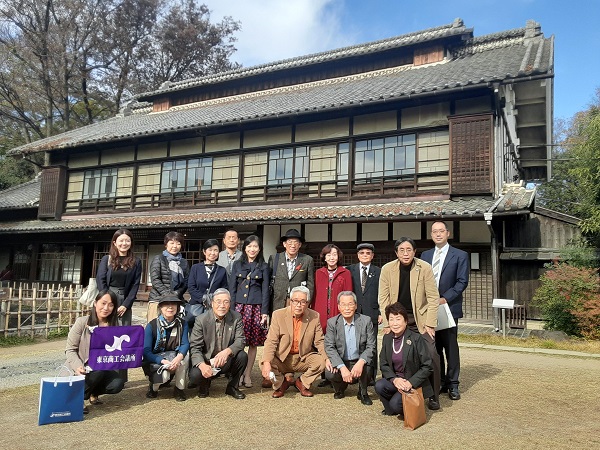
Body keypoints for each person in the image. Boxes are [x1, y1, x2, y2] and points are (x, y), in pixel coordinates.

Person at [379, 237, 441, 411]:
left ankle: (433, 396)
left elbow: (433, 297)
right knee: (391, 353)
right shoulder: (387, 269)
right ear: (396, 252)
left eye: (409, 250)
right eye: (401, 250)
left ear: (414, 252)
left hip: (419, 319)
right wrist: (387, 322)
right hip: (396, 320)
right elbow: (383, 298)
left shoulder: (424, 268)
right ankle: (394, 389)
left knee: (431, 354)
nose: (405, 253)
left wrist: (430, 324)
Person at [421, 221, 469, 401]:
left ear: (448, 233)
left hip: (449, 306)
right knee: (435, 346)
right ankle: (439, 381)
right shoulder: (425, 255)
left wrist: (444, 298)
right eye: (435, 232)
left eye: (441, 231)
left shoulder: (460, 255)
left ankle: (453, 383)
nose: (438, 234)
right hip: (429, 308)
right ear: (431, 234)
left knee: (450, 346)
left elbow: (462, 281)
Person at [261, 286, 330, 398]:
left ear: (307, 303)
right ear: (290, 301)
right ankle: (281, 384)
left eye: (303, 302)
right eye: (295, 301)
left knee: (321, 361)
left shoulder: (314, 316)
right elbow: (271, 341)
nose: (299, 305)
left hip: (302, 358)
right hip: (282, 358)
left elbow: (319, 341)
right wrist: (267, 363)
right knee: (264, 362)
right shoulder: (278, 315)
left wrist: (327, 358)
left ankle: (302, 382)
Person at [65, 290, 125, 413]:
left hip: (102, 367)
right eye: (103, 303)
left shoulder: (115, 326)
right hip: (82, 367)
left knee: (117, 383)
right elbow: (70, 349)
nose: (106, 308)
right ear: (95, 303)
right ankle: (76, 398)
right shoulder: (82, 322)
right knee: (96, 370)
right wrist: (78, 366)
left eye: (111, 305)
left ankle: (93, 392)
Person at [375, 303, 433, 418]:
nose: (395, 323)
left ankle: (403, 405)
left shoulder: (416, 339)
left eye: (398, 319)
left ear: (406, 321)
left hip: (412, 382)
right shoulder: (387, 338)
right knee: (379, 385)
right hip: (397, 381)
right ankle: (391, 407)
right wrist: (394, 379)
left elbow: (427, 366)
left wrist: (411, 382)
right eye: (391, 319)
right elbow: (383, 363)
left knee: (396, 405)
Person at [188, 288, 247, 400]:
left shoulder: (236, 317)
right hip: (207, 359)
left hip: (225, 359)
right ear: (212, 303)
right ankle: (204, 384)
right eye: (218, 301)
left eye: (226, 302)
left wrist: (227, 351)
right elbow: (195, 347)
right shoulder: (201, 320)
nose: (222, 305)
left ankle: (232, 387)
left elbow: (241, 340)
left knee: (242, 356)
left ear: (230, 304)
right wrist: (202, 365)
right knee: (194, 376)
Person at [229, 235, 270, 388]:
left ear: (259, 249)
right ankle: (237, 373)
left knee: (253, 344)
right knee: (238, 342)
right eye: (249, 246)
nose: (252, 249)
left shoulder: (264, 267)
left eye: (255, 247)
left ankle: (247, 374)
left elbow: (266, 291)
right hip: (239, 308)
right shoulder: (237, 265)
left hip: (256, 308)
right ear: (244, 248)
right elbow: (232, 289)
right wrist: (231, 310)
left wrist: (264, 312)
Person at [324, 291, 376, 405]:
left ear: (356, 305)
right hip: (342, 360)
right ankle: (340, 389)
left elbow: (371, 346)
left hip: (358, 359)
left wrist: (361, 362)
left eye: (350, 304)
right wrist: (341, 367)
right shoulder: (332, 322)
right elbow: (329, 346)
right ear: (338, 307)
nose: (347, 308)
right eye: (343, 304)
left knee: (368, 366)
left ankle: (363, 392)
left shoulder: (366, 321)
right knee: (329, 372)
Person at [312, 243, 352, 387]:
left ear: (338, 256)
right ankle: (325, 374)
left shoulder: (345, 273)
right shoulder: (318, 273)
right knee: (322, 344)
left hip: (337, 313)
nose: (331, 257)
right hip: (321, 313)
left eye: (334, 254)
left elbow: (349, 293)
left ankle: (337, 373)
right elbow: (314, 293)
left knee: (338, 343)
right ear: (324, 257)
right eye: (328, 255)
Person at [142, 294, 190, 402]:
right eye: (166, 305)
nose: (170, 307)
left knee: (185, 357)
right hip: (157, 360)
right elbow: (146, 351)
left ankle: (179, 389)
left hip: (174, 357)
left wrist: (178, 358)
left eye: (174, 304)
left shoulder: (183, 324)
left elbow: (185, 344)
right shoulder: (152, 326)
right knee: (163, 377)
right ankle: (153, 388)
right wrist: (163, 362)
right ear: (160, 308)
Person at [347, 242, 382, 382]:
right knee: (354, 342)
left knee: (371, 344)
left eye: (368, 253)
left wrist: (381, 312)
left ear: (372, 255)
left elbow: (383, 293)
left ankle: (371, 376)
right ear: (357, 255)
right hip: (354, 312)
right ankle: (355, 373)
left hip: (372, 312)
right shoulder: (350, 270)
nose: (365, 255)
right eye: (362, 253)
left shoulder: (378, 271)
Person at [96, 228, 142, 327]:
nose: (124, 243)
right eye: (121, 240)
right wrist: (107, 301)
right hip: (108, 296)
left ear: (131, 243)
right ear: (115, 243)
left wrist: (126, 304)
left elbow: (135, 284)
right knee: (105, 327)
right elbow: (100, 280)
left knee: (123, 329)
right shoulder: (106, 259)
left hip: (125, 298)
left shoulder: (136, 261)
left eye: (127, 240)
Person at [147, 231, 190, 323]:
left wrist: (177, 294)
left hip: (176, 300)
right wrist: (169, 296)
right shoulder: (158, 259)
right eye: (172, 243)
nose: (175, 246)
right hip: (158, 299)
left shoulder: (184, 262)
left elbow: (186, 281)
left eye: (178, 243)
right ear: (166, 244)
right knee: (155, 327)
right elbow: (155, 279)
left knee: (175, 330)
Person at [268, 228, 315, 312]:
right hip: (277, 301)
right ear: (284, 244)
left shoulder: (307, 260)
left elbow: (310, 284)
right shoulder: (274, 258)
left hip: (298, 302)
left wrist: (307, 302)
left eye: (296, 242)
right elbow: (268, 281)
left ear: (300, 245)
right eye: (290, 242)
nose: (293, 245)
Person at [186, 239, 228, 326]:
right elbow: (191, 287)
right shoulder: (195, 268)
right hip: (196, 305)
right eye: (210, 250)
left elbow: (224, 289)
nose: (213, 253)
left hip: (215, 307)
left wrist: (213, 300)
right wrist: (203, 298)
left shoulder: (221, 270)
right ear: (204, 252)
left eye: (216, 250)